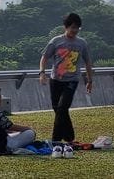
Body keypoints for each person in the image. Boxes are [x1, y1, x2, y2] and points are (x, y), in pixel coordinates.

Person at [39, 12, 93, 144]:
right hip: (56, 80)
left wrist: (89, 81)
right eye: (72, 27)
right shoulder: (56, 41)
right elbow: (44, 57)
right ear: (66, 27)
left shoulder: (82, 43)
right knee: (57, 108)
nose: (74, 30)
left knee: (62, 108)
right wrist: (42, 73)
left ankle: (55, 141)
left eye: (77, 28)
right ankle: (69, 137)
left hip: (72, 80)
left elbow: (88, 62)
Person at [0, 86, 36, 153]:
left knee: (15, 133)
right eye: (0, 97)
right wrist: (28, 128)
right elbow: (10, 126)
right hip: (0, 144)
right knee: (30, 133)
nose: (1, 99)